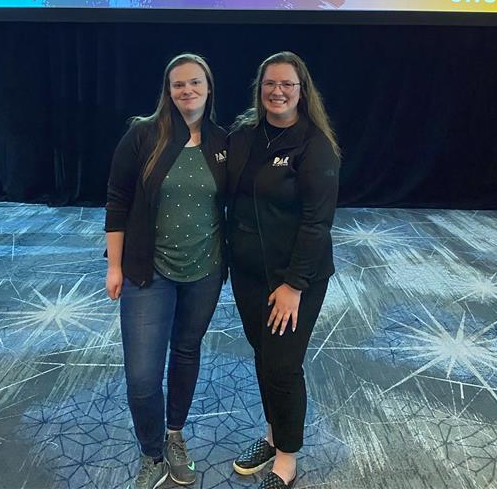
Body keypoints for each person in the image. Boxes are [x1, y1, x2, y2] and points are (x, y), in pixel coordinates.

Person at [105, 54, 227, 489]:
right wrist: (114, 265)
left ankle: (174, 435)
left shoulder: (223, 141)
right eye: (178, 84)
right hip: (147, 272)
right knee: (142, 376)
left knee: (186, 352)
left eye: (195, 82)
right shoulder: (143, 135)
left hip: (205, 271)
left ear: (208, 88)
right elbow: (117, 199)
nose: (187, 90)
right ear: (168, 90)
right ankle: (152, 453)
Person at [227, 52, 340, 489]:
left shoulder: (314, 145)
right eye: (270, 83)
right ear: (260, 88)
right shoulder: (244, 136)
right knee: (263, 355)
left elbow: (317, 222)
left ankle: (287, 459)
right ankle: (274, 436)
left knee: (282, 365)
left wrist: (293, 285)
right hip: (248, 274)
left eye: (287, 84)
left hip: (295, 279)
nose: (277, 92)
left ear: (301, 90)